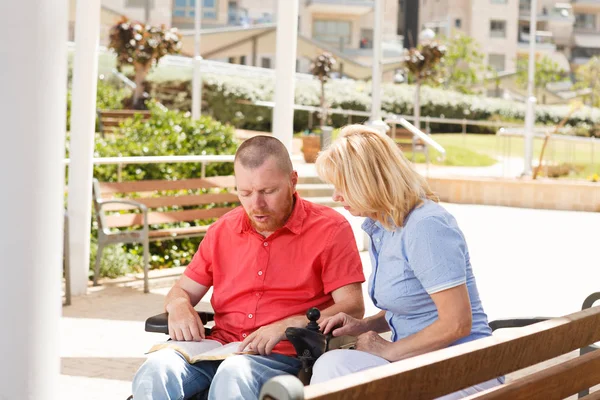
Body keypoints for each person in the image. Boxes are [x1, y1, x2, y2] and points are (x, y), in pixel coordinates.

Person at [131, 135, 365, 400]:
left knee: (234, 372)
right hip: (217, 348)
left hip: (281, 355)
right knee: (156, 369)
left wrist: (286, 325)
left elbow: (352, 305)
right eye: (245, 193)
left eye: (268, 191)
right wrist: (179, 307)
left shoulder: (330, 229)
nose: (256, 205)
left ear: (293, 181)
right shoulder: (222, 230)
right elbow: (181, 290)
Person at [310, 125, 502, 398]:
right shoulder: (386, 228)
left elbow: (457, 323)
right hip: (421, 362)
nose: (335, 197)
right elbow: (412, 310)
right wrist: (363, 326)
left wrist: (387, 350)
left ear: (370, 181)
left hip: (461, 370)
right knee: (332, 367)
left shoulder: (425, 226)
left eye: (342, 186)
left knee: (338, 374)